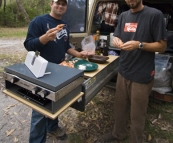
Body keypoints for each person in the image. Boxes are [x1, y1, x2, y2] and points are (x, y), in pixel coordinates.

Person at [98, 0, 167, 143]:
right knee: (119, 107)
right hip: (123, 70)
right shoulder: (123, 16)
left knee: (137, 114)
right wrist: (116, 40)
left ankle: (136, 140)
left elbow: (162, 46)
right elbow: (117, 35)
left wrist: (140, 45)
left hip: (142, 74)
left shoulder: (154, 15)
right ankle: (118, 134)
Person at [23, 0, 88, 143]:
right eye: (57, 3)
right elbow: (28, 45)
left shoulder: (65, 25)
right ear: (51, 4)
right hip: (41, 72)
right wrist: (45, 38)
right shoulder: (38, 21)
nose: (60, 6)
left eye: (63, 4)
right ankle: (36, 140)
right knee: (40, 108)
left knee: (55, 101)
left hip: (59, 69)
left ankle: (52, 127)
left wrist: (78, 54)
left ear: (66, 7)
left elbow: (65, 46)